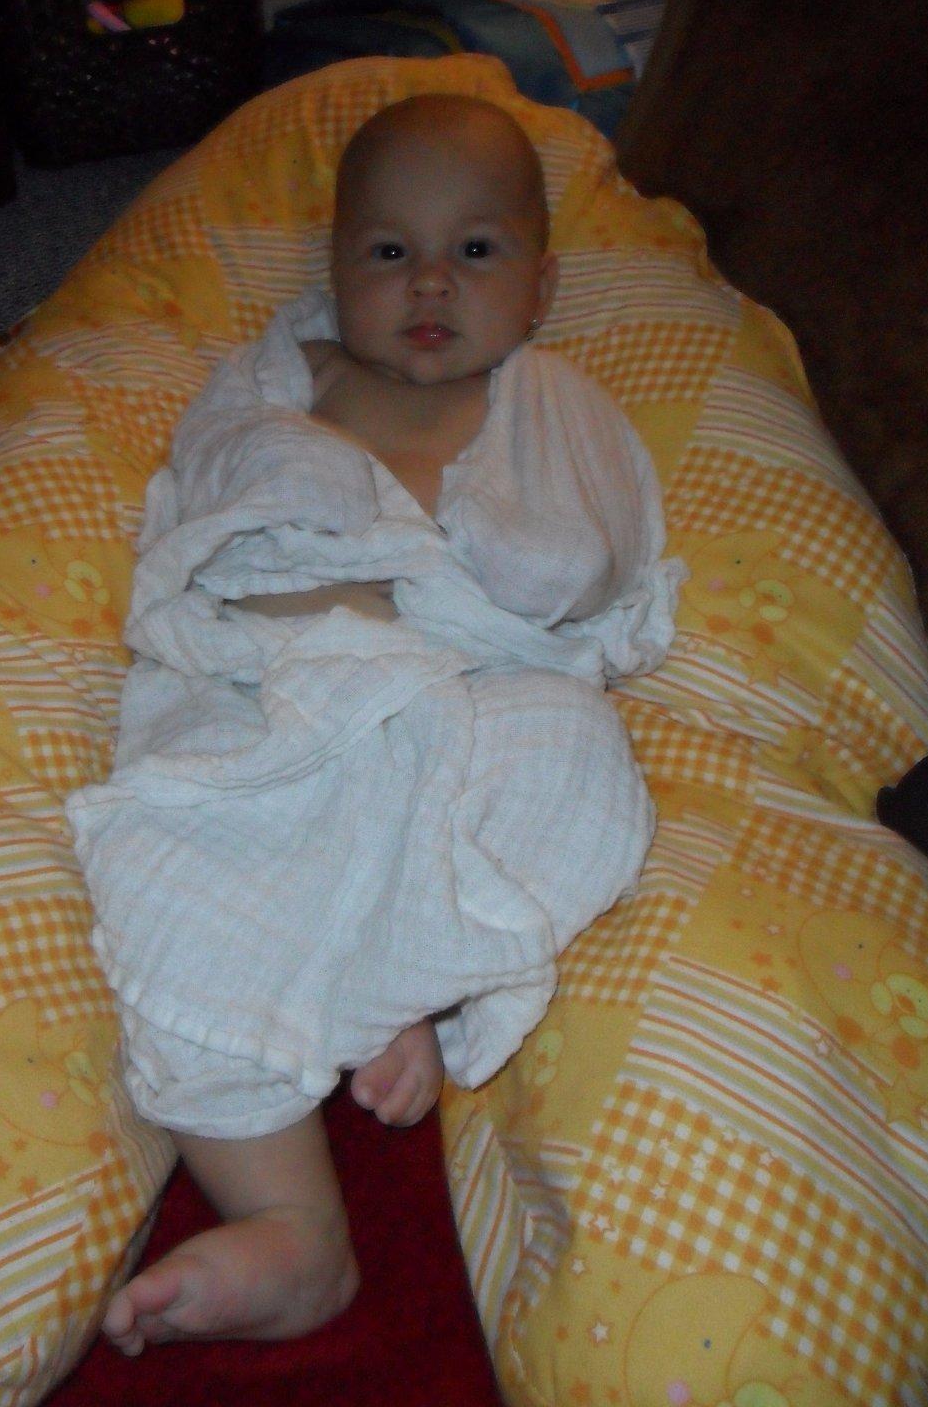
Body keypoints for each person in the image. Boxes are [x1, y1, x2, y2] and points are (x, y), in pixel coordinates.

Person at [65, 93, 684, 1353]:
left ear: (542, 284)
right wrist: (319, 510)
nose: (430, 283)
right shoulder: (292, 374)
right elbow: (213, 480)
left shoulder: (550, 399)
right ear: (337, 269)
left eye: (476, 249)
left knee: (574, 753)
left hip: (461, 695)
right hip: (281, 696)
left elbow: (593, 556)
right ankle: (295, 1223)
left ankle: (409, 968)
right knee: (173, 878)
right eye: (390, 251)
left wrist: (454, 555)